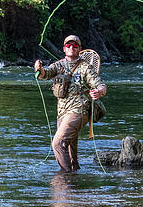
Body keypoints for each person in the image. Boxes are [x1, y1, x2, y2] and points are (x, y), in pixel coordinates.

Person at [34, 34, 107, 173]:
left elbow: (102, 86)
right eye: (68, 45)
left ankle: (65, 178)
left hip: (79, 111)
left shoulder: (86, 68)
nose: (71, 47)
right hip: (61, 113)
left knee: (58, 143)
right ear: (64, 49)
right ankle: (74, 181)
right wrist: (39, 69)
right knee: (69, 151)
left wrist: (98, 92)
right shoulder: (59, 65)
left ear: (79, 49)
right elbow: (45, 74)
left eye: (75, 45)